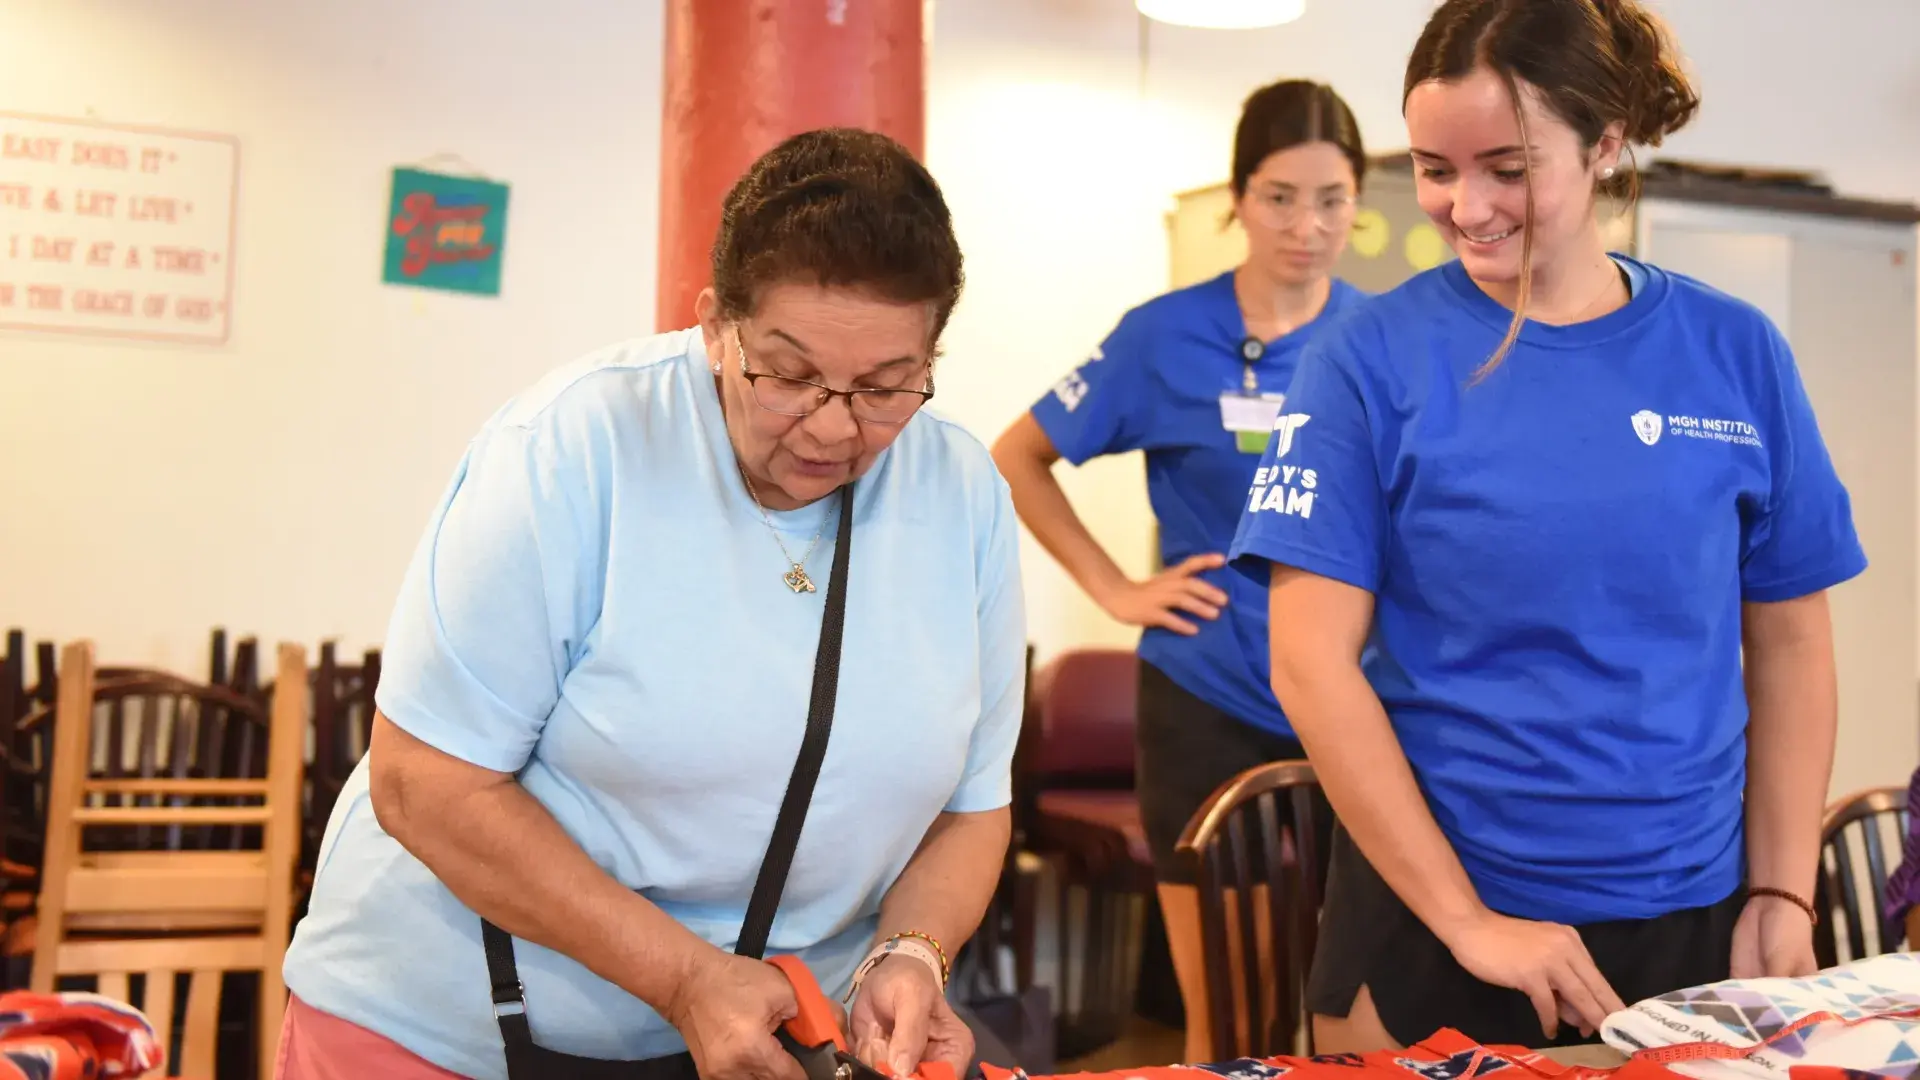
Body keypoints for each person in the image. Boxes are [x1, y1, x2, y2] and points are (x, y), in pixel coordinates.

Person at [275, 128, 1025, 1080]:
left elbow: (971, 805)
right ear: (716, 324)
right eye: (789, 374)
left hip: (765, 1042)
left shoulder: (959, 492)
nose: (837, 426)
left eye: (885, 386)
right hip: (446, 1034)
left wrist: (910, 950)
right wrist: (684, 979)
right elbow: (424, 784)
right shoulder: (572, 449)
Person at [1227, 0, 1866, 1054]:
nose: (1464, 205)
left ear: (1607, 142)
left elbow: (1791, 638)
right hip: (1438, 921)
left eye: (1507, 169)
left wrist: (1783, 890)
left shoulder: (1736, 352)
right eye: (1435, 166)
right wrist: (1470, 922)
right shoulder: (1368, 358)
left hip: (1695, 923)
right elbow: (1309, 665)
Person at [991, 79, 1367, 1060]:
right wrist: (1114, 589)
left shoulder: (1385, 339)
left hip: (1356, 694)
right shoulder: (1164, 336)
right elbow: (1017, 455)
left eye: (1333, 198)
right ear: (1239, 197)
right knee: (1230, 1025)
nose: (1307, 224)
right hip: (1208, 685)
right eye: (1282, 195)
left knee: (1356, 1016)